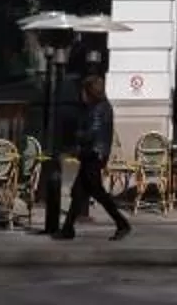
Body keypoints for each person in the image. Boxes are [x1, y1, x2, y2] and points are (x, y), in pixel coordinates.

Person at [55, 73, 131, 240]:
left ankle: (122, 223)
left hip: (93, 154)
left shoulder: (99, 108)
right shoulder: (101, 107)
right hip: (94, 154)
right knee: (78, 191)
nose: (81, 95)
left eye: (83, 91)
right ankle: (68, 229)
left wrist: (78, 135)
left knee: (97, 192)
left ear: (89, 92)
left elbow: (92, 132)